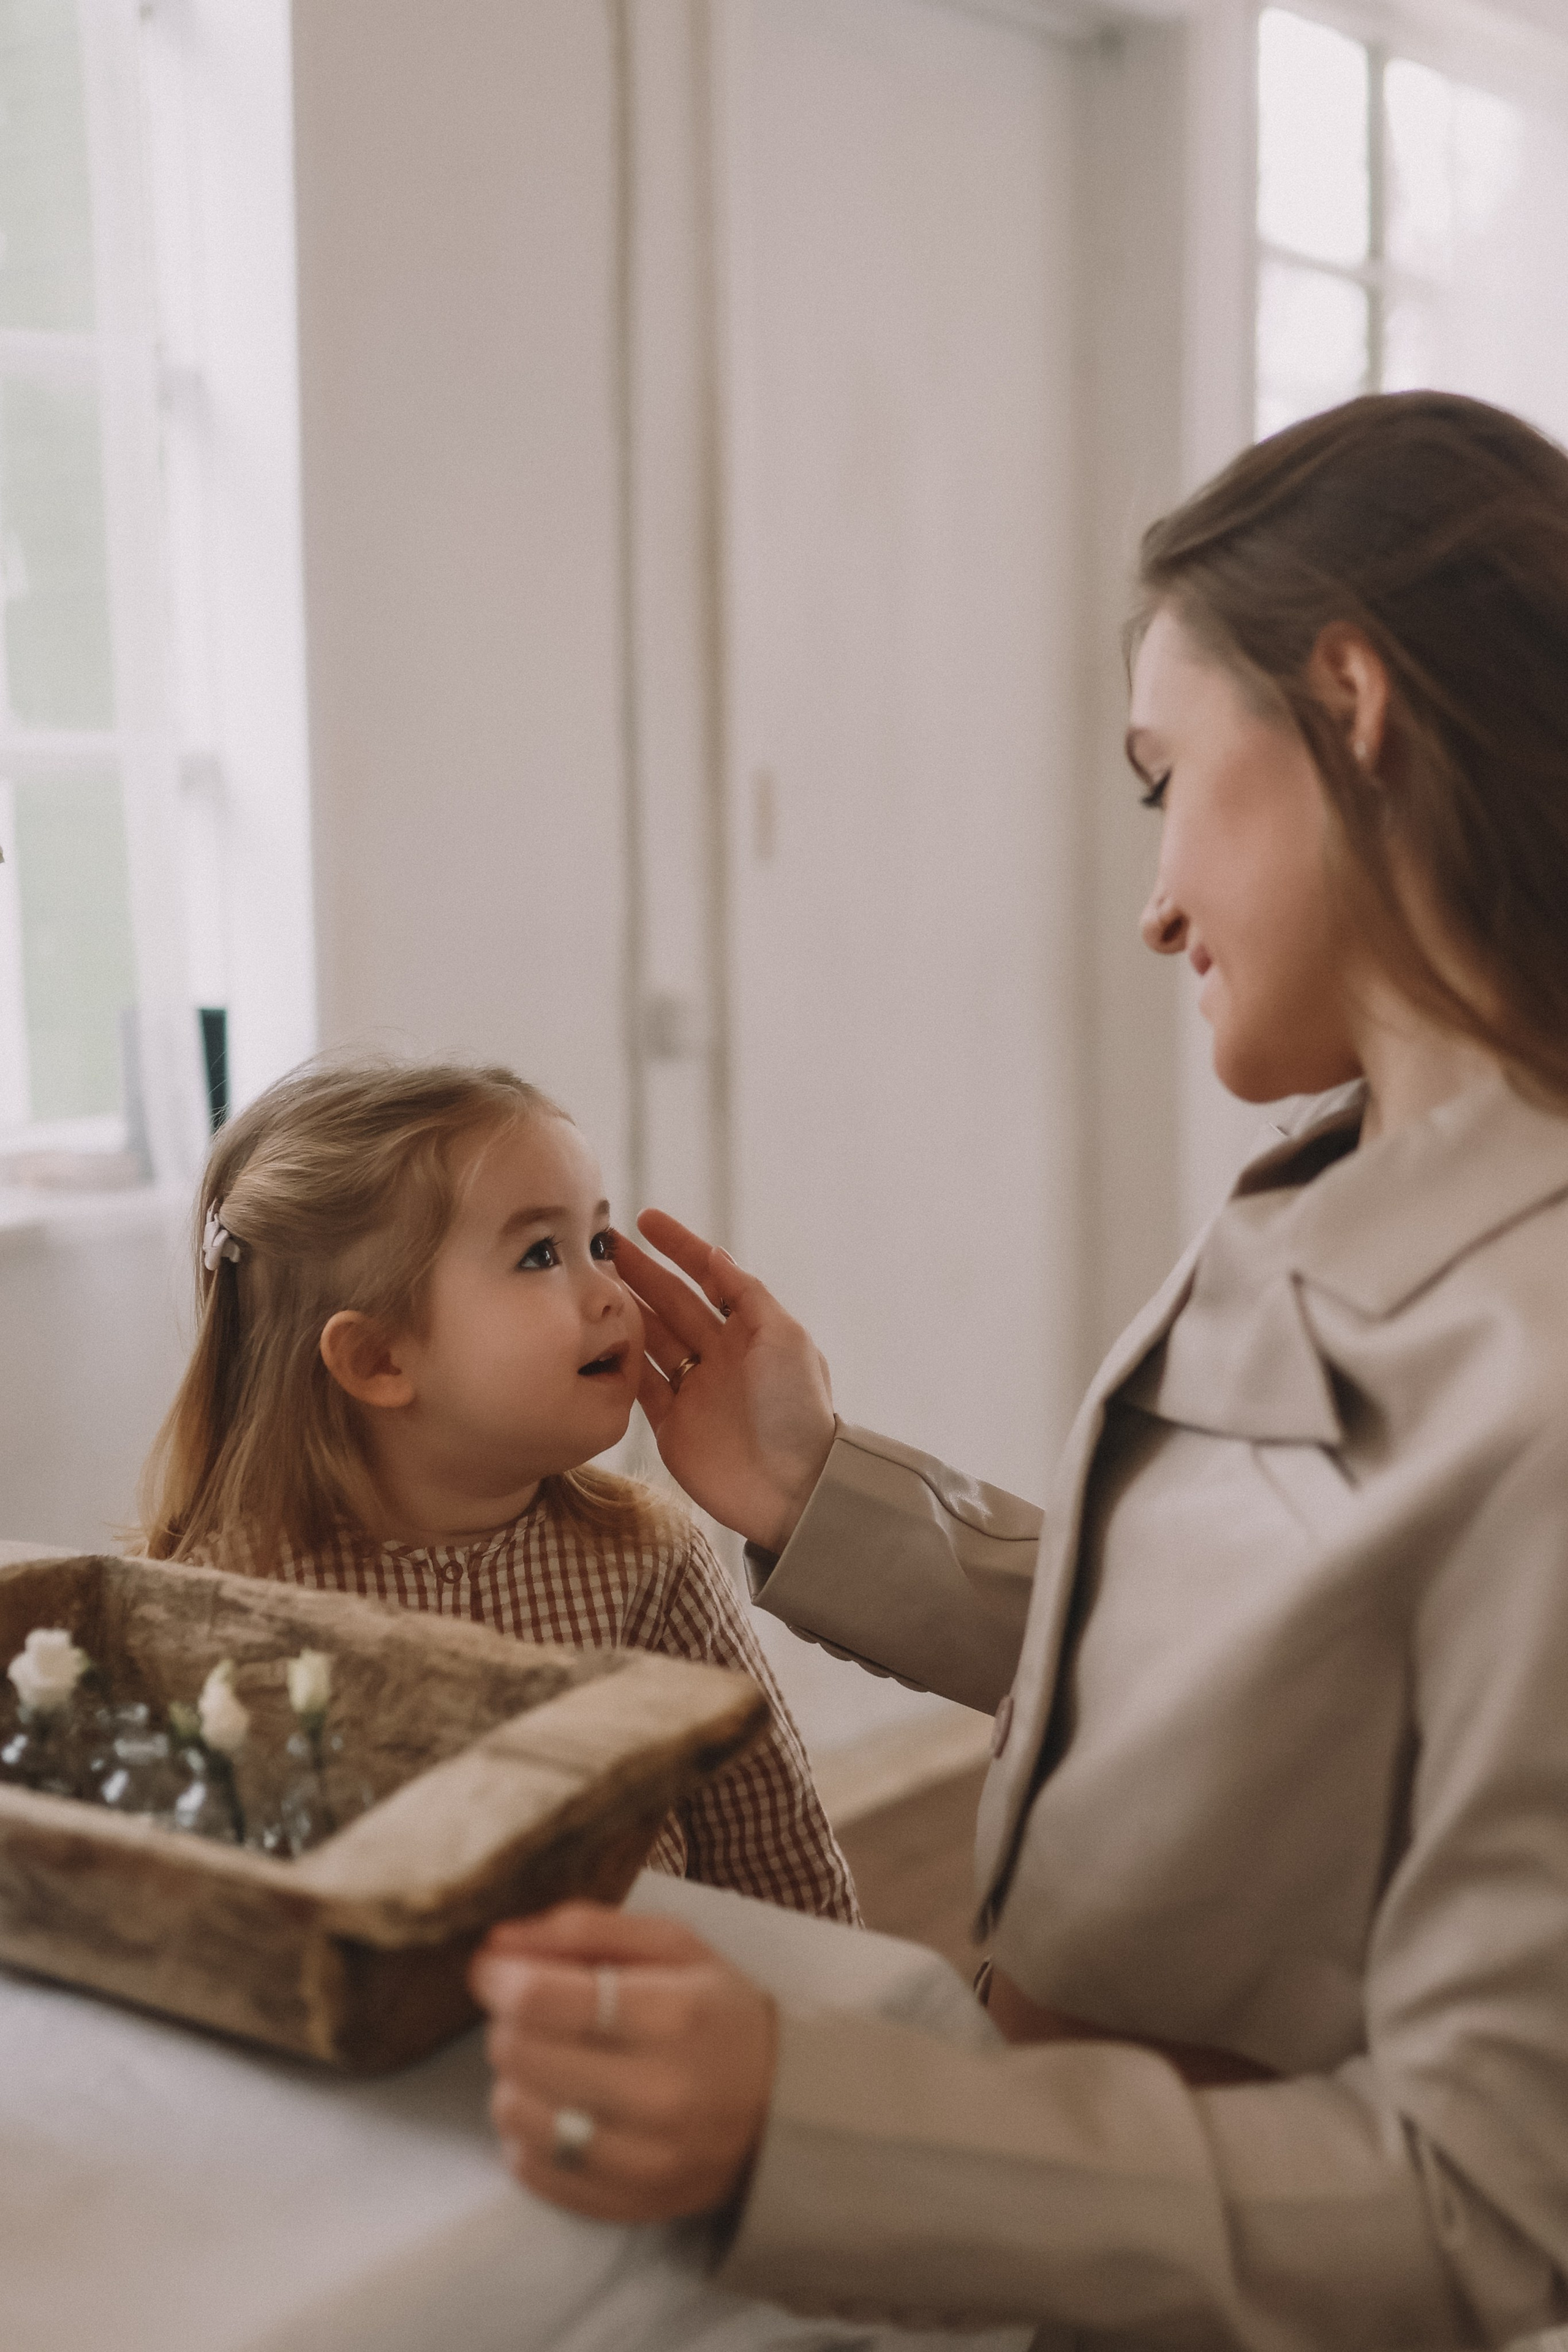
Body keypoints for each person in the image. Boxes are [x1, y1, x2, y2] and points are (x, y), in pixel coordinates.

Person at [468, 391, 1568, 2348]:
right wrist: (823, 1490)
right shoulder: (1344, 1177)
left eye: (1164, 780)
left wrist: (814, 2124)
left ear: (1352, 702)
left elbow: (1480, 2205)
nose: (1155, 905)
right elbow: (1276, 1676)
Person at [138, 1059, 858, 1924]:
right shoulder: (225, 1602)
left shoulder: (650, 1560)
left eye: (598, 1243)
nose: (613, 1294)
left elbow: (774, 1854)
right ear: (379, 1359)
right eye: (541, 1254)